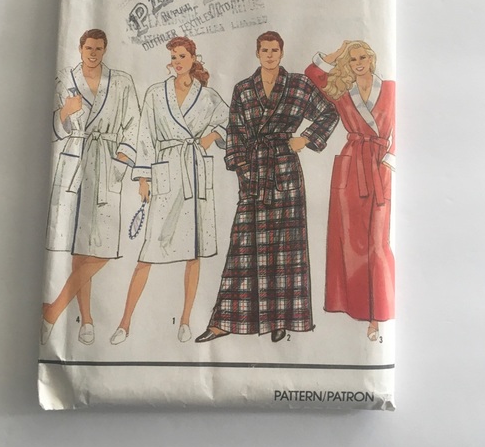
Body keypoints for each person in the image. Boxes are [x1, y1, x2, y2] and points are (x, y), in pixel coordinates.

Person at [196, 31, 339, 344]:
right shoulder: (243, 88)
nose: (270, 55)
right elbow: (235, 131)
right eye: (265, 50)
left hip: (285, 170)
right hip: (254, 171)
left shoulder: (299, 84)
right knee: (243, 247)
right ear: (257, 53)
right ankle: (224, 322)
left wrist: (306, 139)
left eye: (275, 50)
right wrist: (242, 169)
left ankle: (281, 320)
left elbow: (329, 113)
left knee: (287, 249)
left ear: (282, 52)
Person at [110, 36, 228, 345]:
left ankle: (186, 320)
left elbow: (231, 121)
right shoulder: (155, 93)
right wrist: (144, 178)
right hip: (166, 172)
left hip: (194, 173)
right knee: (148, 252)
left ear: (193, 58)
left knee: (194, 252)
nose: (177, 62)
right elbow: (145, 135)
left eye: (182, 56)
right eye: (173, 57)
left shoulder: (208, 96)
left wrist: (213, 135)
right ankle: (124, 322)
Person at [42, 29, 140, 345]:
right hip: (75, 163)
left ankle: (53, 310)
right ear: (80, 48)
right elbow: (48, 129)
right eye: (88, 48)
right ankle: (86, 320)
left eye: (99, 48)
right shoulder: (64, 79)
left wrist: (122, 160)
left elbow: (134, 124)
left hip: (107, 165)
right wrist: (65, 112)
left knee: (103, 249)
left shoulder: (121, 82)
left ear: (105, 49)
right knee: (80, 248)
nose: (93, 53)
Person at [305, 40, 395, 342]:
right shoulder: (342, 90)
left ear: (372, 58)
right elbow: (313, 72)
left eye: (362, 57)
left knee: (377, 242)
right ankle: (357, 312)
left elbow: (405, 125)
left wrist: (392, 158)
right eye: (352, 58)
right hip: (351, 166)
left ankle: (377, 315)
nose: (358, 63)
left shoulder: (391, 89)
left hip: (380, 167)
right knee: (349, 240)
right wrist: (338, 52)